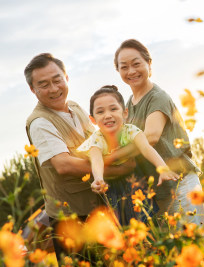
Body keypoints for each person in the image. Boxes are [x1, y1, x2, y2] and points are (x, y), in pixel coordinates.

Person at [24, 53, 136, 263]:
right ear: (33, 89)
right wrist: (119, 170)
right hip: (71, 219)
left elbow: (97, 142)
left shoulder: (75, 107)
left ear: (66, 77)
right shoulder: (39, 122)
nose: (54, 88)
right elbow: (64, 165)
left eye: (57, 80)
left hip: (98, 208)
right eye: (44, 84)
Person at [112, 39, 204, 249]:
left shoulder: (158, 97)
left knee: (195, 250)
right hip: (161, 190)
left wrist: (113, 157)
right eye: (124, 67)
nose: (131, 71)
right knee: (175, 254)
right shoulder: (129, 103)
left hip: (181, 182)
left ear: (149, 63)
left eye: (136, 63)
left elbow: (151, 137)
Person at [77, 85, 180, 225]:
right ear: (93, 119)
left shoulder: (131, 130)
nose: (108, 115)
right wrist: (98, 179)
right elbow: (96, 160)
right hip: (111, 183)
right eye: (100, 112)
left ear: (125, 113)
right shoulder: (96, 139)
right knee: (120, 223)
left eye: (113, 109)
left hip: (134, 178)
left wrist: (163, 168)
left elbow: (146, 148)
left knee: (146, 219)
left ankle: (151, 241)